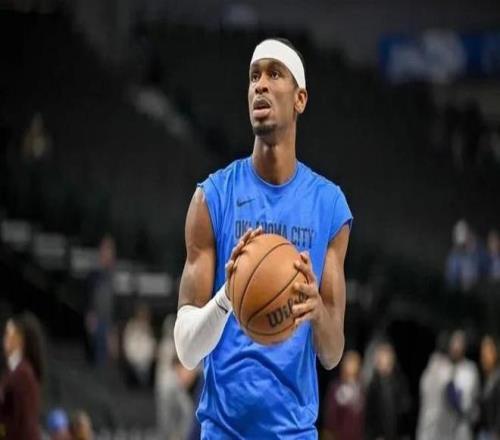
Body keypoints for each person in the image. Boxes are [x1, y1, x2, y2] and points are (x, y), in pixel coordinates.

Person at [173, 38, 353, 438]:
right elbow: (186, 351)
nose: (261, 85)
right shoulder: (212, 198)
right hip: (222, 431)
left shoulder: (330, 207)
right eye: (254, 76)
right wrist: (228, 296)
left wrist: (316, 310)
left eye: (274, 74)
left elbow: (332, 353)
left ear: (300, 99)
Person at [0, 312, 45, 440]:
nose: (4, 339)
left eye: (9, 334)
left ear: (20, 339)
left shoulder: (23, 375)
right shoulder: (13, 372)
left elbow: (25, 424)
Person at [364, 341, 411, 440]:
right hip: (379, 435)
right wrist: (375, 435)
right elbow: (369, 415)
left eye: (387, 357)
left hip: (397, 434)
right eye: (381, 358)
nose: (384, 361)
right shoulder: (373, 385)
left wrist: (404, 432)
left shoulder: (399, 381)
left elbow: (406, 408)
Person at [416, 331, 455, 440]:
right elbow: (453, 400)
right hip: (440, 429)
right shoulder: (447, 370)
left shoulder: (428, 370)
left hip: (425, 427)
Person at [85, 235, 116, 366]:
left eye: (110, 250)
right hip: (97, 320)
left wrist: (113, 327)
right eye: (105, 249)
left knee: (108, 358)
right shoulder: (94, 274)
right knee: (97, 355)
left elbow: (114, 303)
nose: (107, 253)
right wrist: (90, 315)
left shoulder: (113, 275)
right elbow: (89, 296)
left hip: (109, 322)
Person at [444, 329, 480, 440]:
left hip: (463, 426)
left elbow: (471, 400)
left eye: (459, 344)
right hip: (444, 427)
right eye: (454, 344)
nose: (456, 348)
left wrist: (458, 401)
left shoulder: (470, 369)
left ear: (464, 347)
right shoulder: (442, 367)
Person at [322, 350, 364, 440]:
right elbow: (330, 415)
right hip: (339, 435)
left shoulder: (362, 389)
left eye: (354, 363)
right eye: (349, 362)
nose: (351, 366)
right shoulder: (335, 387)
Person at [122, 303, 156, 386]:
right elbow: (128, 346)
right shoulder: (131, 327)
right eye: (142, 314)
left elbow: (151, 345)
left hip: (146, 364)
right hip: (133, 364)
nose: (144, 317)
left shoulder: (148, 329)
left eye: (146, 315)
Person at [478, 335, 500, 440]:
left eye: (488, 352)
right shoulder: (487, 378)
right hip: (485, 432)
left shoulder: (497, 377)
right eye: (482, 352)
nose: (484, 356)